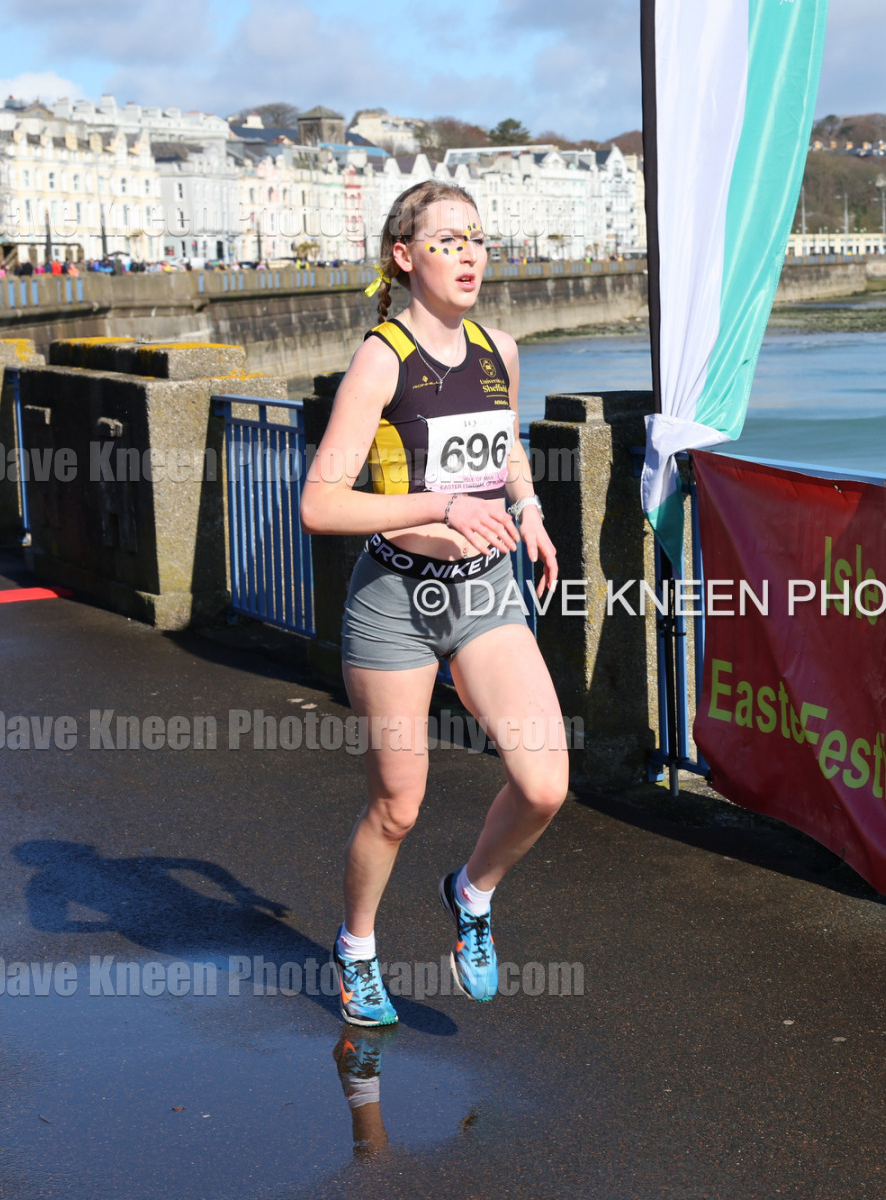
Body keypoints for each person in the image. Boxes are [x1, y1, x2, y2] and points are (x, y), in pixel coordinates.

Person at [300, 180, 568, 1028]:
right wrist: (441, 507)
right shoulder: (382, 359)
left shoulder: (500, 349)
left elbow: (507, 444)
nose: (469, 255)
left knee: (544, 783)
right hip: (394, 603)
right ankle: (357, 946)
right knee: (398, 807)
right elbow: (320, 504)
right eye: (448, 241)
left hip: (485, 591)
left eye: (478, 239)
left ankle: (472, 892)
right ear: (403, 256)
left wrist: (528, 508)